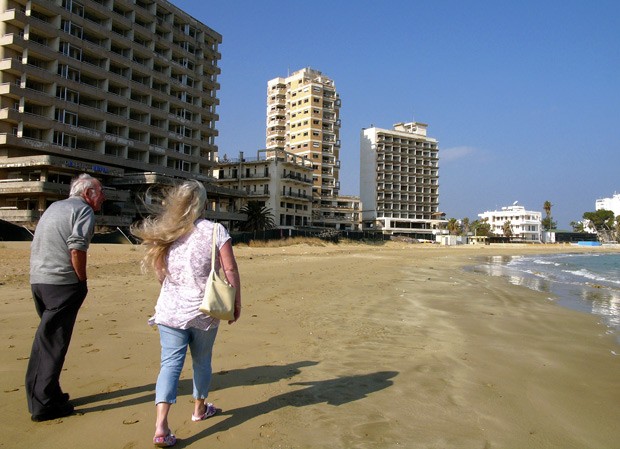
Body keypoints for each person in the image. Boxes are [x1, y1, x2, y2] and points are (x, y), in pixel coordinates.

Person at [130, 180, 241, 448]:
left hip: (170, 311)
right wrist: (236, 302)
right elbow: (230, 270)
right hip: (205, 311)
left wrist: (174, 291)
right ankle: (199, 409)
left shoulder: (168, 231)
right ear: (202, 203)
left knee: (169, 365)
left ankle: (160, 426)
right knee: (202, 361)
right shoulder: (215, 231)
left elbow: (159, 272)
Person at [26, 173, 105, 421]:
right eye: (100, 192)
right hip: (61, 283)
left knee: (46, 341)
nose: (102, 197)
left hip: (39, 280)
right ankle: (45, 403)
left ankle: (46, 393)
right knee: (53, 342)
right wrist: (81, 280)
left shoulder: (54, 207)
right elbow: (77, 247)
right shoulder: (83, 211)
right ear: (88, 193)